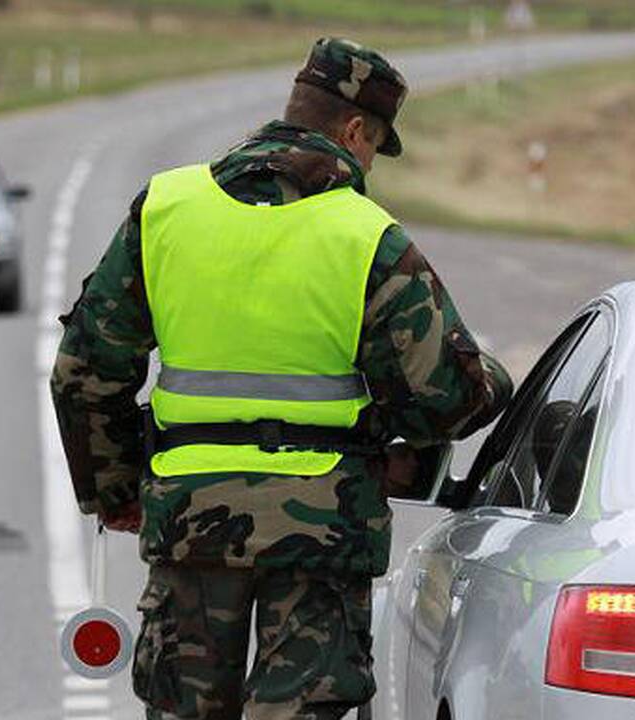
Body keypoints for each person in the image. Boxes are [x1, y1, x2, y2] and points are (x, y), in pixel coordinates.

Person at [51, 37, 513, 720]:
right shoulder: (368, 237)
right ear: (355, 131)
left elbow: (85, 369)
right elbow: (445, 398)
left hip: (190, 522)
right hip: (322, 536)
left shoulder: (166, 211)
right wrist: (495, 383)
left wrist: (116, 490)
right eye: (373, 146)